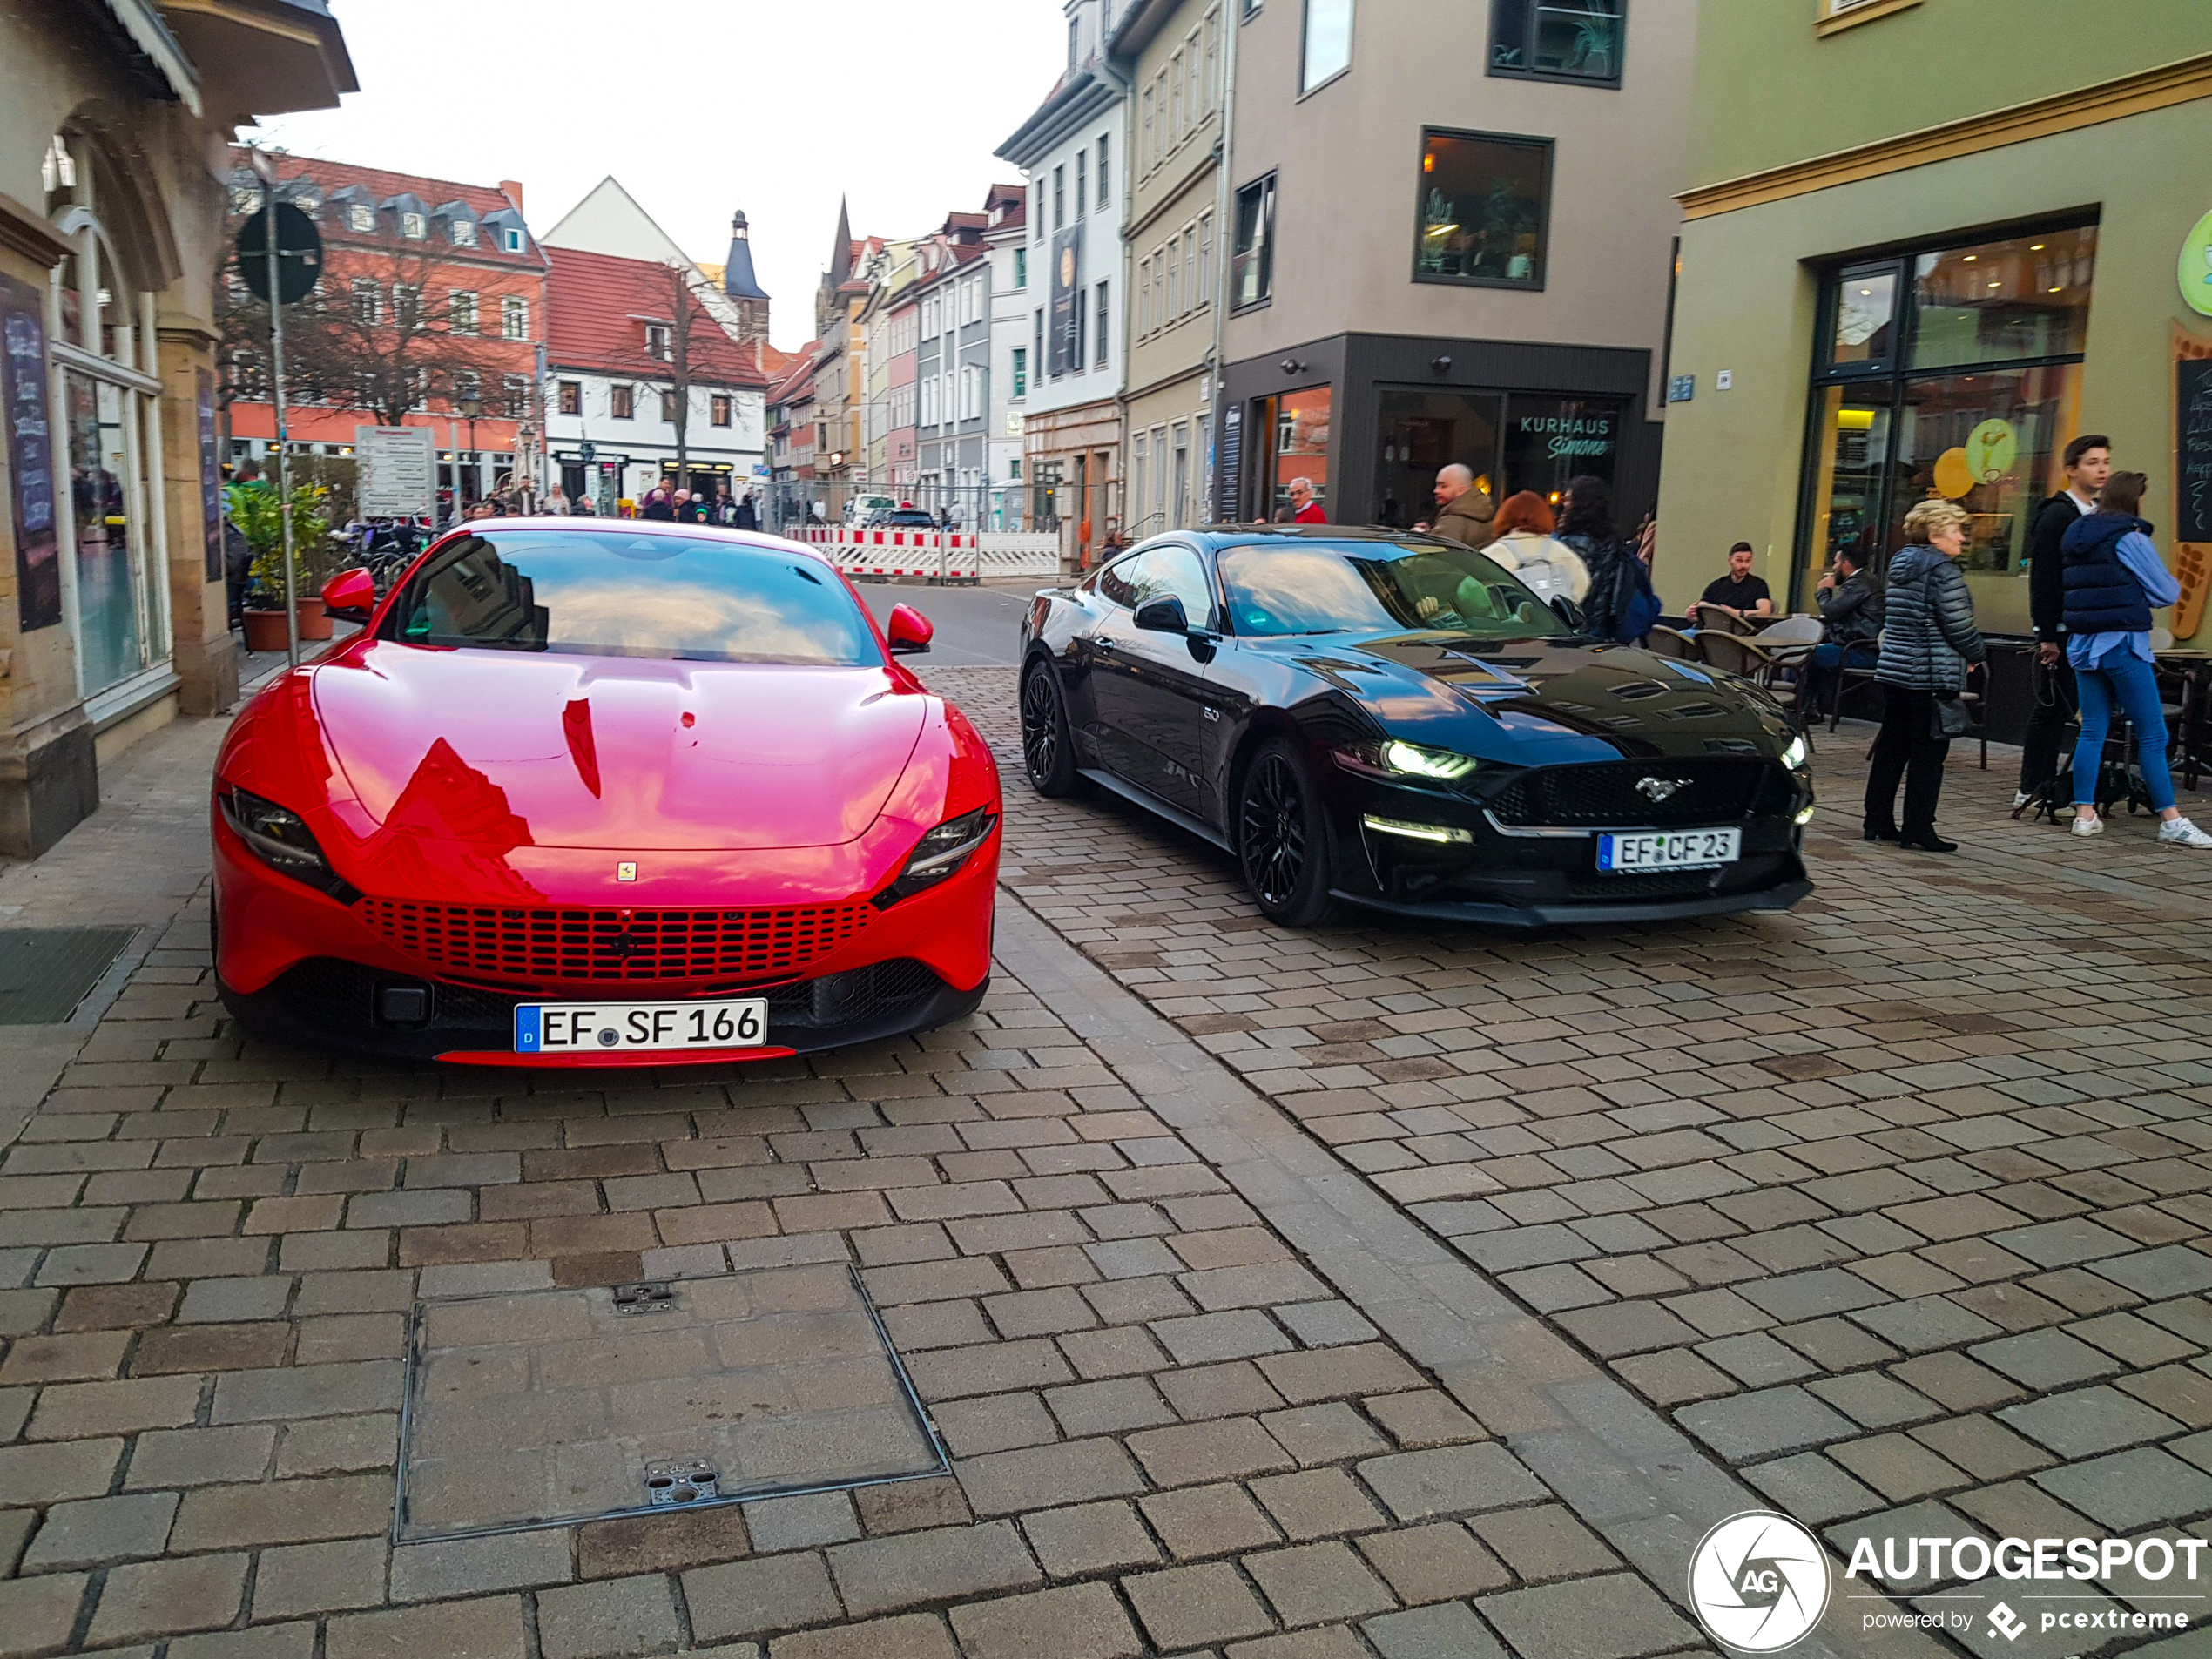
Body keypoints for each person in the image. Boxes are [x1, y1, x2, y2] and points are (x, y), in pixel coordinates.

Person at [2062, 471, 2212, 846]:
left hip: (2082, 644)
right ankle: (2171, 819)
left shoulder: (2077, 534)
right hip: (2122, 643)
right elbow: (2166, 591)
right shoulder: (2129, 537)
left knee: (2093, 729)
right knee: (2152, 733)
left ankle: (2084, 814)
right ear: (2133, 499)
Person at [1864, 498, 1984, 853]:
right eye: (1957, 530)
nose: (1963, 539)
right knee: (1930, 754)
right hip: (1931, 674)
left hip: (1896, 671)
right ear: (1934, 534)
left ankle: (1877, 820)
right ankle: (1918, 827)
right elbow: (1959, 625)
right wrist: (1977, 653)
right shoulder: (1943, 571)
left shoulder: (1900, 565)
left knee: (1892, 748)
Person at [2018, 433, 2112, 808]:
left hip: (2087, 628)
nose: (2102, 469)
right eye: (2092, 462)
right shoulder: (2058, 515)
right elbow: (2045, 580)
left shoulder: (2096, 514)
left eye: (2105, 462)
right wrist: (2047, 632)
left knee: (2071, 708)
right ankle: (2032, 785)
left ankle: (2060, 784)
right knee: (2053, 707)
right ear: (2071, 470)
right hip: (2063, 630)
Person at [1557, 475, 1656, 644]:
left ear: (1577, 503)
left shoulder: (1565, 547)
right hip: (1604, 635)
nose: (1563, 504)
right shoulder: (1615, 547)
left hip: (1568, 632)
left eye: (1567, 498)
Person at [1797, 544, 1883, 724]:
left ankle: (1805, 708)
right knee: (1812, 653)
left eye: (1835, 563)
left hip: (1860, 651)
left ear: (1846, 564)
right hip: (1856, 646)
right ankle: (1808, 707)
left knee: (1806, 655)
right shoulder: (1864, 581)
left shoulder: (1858, 584)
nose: (1833, 568)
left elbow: (1831, 611)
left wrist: (1824, 591)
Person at [1482, 491, 1589, 606]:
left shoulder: (1493, 554)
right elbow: (1582, 584)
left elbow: (1470, 594)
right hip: (1554, 622)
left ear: (1503, 518)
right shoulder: (1562, 552)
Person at [1690, 543, 1774, 626]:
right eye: (1739, 560)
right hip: (1711, 628)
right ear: (1730, 561)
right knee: (1683, 635)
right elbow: (1703, 608)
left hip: (1739, 631)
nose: (1743, 566)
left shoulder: (1759, 585)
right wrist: (1692, 614)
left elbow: (1764, 612)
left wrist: (1736, 613)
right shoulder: (1717, 585)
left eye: (1748, 561)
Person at [1420, 463, 1495, 550]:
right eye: (1437, 485)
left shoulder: (1453, 518)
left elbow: (1434, 553)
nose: (1436, 491)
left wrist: (1417, 537)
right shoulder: (1483, 511)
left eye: (1443, 486)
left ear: (1461, 490)